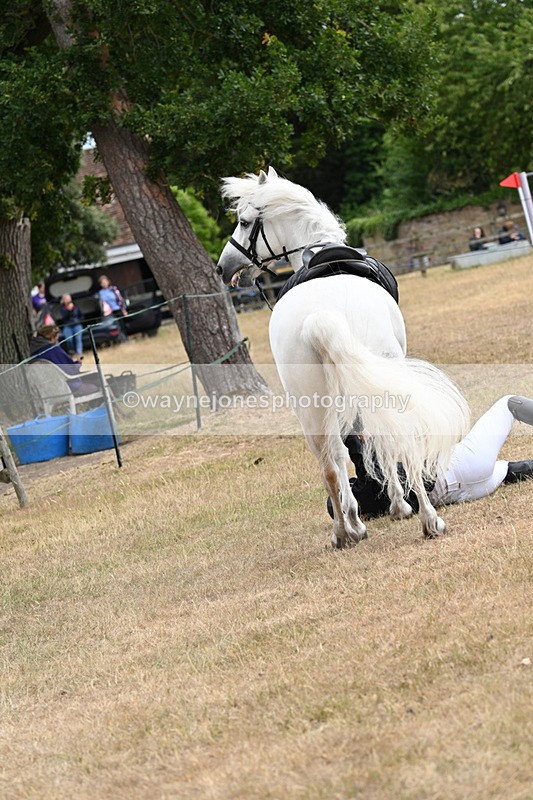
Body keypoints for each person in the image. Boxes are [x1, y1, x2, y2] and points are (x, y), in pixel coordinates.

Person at [327, 395, 533, 520]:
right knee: (509, 403)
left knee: (506, 470)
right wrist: (349, 417)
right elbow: (365, 460)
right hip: (461, 466)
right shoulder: (368, 489)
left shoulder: (374, 510)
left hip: (467, 491)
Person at [29, 325, 98, 396]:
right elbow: (71, 371)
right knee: (99, 380)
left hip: (48, 393)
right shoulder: (54, 350)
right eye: (56, 338)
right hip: (68, 388)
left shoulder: (33, 355)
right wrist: (78, 363)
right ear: (52, 337)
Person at [97, 275, 128, 342]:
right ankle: (119, 340)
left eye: (105, 282)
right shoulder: (101, 293)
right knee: (114, 327)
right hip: (109, 313)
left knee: (122, 326)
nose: (104, 284)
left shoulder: (113, 289)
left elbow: (120, 299)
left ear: (108, 282)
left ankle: (125, 339)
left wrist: (123, 309)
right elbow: (102, 304)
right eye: (102, 283)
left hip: (118, 310)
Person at [59, 294, 84, 360]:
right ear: (64, 300)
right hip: (68, 326)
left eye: (69, 298)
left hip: (77, 325)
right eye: (66, 299)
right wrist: (70, 310)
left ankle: (79, 354)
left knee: (78, 339)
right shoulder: (62, 309)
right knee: (69, 340)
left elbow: (81, 315)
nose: (68, 300)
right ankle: (72, 351)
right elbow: (64, 317)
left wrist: (79, 321)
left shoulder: (75, 306)